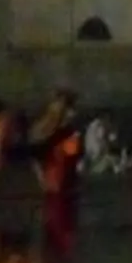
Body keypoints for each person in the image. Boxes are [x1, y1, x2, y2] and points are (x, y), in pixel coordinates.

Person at [25, 87, 84, 235]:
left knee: (58, 230)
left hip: (58, 186)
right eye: (71, 108)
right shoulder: (61, 132)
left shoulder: (55, 129)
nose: (74, 113)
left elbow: (34, 154)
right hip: (59, 186)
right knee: (60, 230)